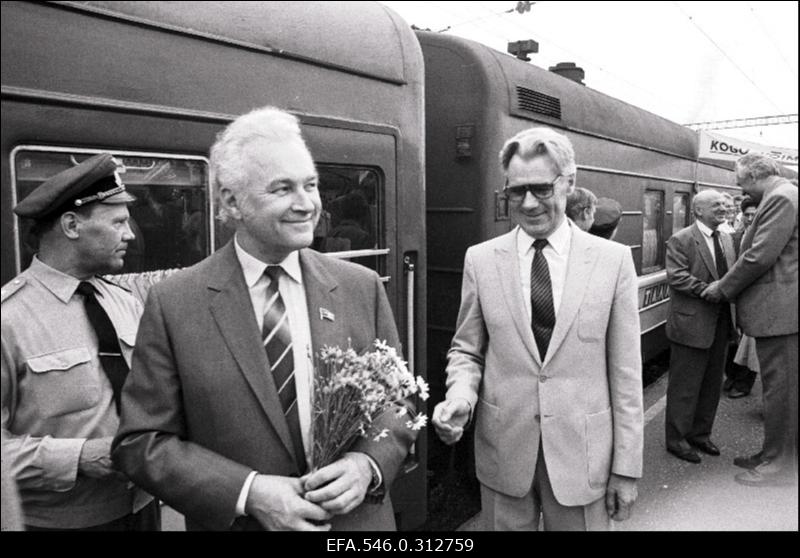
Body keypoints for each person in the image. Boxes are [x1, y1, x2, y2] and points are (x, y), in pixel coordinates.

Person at [112, 106, 416, 531]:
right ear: (232, 202)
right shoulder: (175, 303)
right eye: (282, 189)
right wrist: (248, 493)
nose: (306, 203)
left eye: (311, 184)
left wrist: (367, 464)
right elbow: (141, 443)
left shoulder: (359, 286)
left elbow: (397, 404)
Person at [432, 127, 643, 531]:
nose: (528, 203)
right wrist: (461, 396)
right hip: (504, 456)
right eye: (516, 192)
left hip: (584, 459)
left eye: (542, 189)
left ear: (569, 183)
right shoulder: (481, 260)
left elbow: (627, 373)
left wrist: (627, 468)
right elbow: (467, 350)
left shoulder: (612, 261)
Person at [1, 153, 158, 530]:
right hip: (60, 523)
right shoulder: (9, 319)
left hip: (143, 511)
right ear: (72, 225)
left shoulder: (123, 302)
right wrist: (77, 457)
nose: (130, 234)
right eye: (119, 222)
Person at [703, 154, 798, 487]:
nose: (737, 185)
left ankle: (781, 465)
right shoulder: (783, 195)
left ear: (756, 175)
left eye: (740, 179)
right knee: (779, 390)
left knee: (782, 393)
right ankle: (772, 453)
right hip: (781, 310)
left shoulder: (781, 198)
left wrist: (723, 288)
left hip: (781, 312)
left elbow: (759, 255)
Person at [663, 190, 736, 464]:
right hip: (692, 324)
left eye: (722, 204)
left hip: (721, 323)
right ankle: (676, 440)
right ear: (698, 211)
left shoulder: (726, 238)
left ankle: (700, 434)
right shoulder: (681, 240)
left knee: (711, 383)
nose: (722, 208)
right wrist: (708, 290)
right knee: (685, 386)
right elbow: (677, 277)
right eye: (715, 204)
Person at [724, 196, 759, 398]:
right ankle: (732, 375)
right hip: (734, 297)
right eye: (746, 215)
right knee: (732, 339)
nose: (749, 218)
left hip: (755, 298)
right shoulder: (733, 238)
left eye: (754, 215)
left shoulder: (766, 239)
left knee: (751, 342)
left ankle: (743, 384)